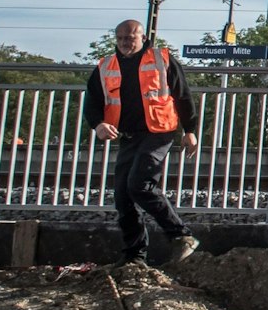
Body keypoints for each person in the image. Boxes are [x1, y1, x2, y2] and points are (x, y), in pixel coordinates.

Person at [83, 19, 200, 265]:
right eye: (121, 38)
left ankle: (181, 235)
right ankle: (134, 257)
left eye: (131, 37)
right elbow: (92, 101)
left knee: (140, 184)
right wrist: (99, 124)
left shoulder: (161, 60)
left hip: (159, 131)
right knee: (123, 196)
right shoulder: (106, 66)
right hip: (128, 136)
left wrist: (190, 130)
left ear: (143, 38)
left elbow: (183, 95)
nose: (126, 42)